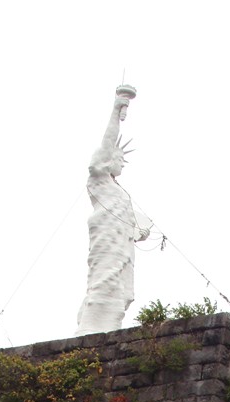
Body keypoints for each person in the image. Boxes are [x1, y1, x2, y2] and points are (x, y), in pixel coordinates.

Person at [75, 84, 152, 336]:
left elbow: (135, 228)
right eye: (118, 159)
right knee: (104, 279)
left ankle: (107, 327)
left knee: (123, 291)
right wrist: (117, 108)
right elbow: (107, 144)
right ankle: (90, 327)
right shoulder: (98, 179)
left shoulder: (120, 192)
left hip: (123, 246)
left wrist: (142, 231)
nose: (121, 163)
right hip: (106, 239)